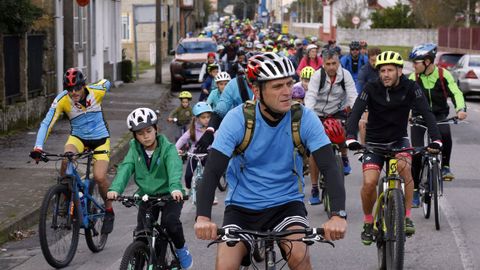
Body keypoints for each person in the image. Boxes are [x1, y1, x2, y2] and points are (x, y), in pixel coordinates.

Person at [194, 52, 347, 269]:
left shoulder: (304, 118)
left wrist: (338, 215)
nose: (287, 92)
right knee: (225, 265)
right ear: (256, 90)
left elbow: (330, 166)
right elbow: (211, 171)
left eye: (289, 83)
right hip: (242, 208)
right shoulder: (237, 119)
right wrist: (203, 217)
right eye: (277, 87)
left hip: (286, 205)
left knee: (300, 258)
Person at [344, 51, 442, 245]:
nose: (385, 74)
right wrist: (350, 137)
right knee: (370, 183)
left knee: (405, 169)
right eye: (382, 70)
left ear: (399, 71)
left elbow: (426, 112)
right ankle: (368, 221)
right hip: (374, 142)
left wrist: (436, 139)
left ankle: (406, 217)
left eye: (390, 70)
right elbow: (355, 113)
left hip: (399, 140)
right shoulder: (371, 88)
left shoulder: (411, 87)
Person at [30, 68, 115, 234]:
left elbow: (106, 83)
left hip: (100, 140)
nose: (74, 92)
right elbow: (46, 123)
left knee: (99, 176)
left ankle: (109, 210)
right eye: (69, 89)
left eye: (77, 88)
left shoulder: (96, 92)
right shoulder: (62, 100)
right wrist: (38, 147)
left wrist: (104, 83)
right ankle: (65, 196)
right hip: (78, 138)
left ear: (83, 85)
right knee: (65, 160)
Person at [107, 108, 193, 269]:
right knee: (142, 233)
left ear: (156, 129)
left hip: (170, 195)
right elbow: (126, 167)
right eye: (140, 133)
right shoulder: (134, 148)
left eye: (148, 131)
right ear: (134, 136)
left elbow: (174, 167)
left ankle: (181, 250)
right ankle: (140, 262)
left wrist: (175, 188)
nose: (145, 136)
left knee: (171, 223)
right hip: (147, 196)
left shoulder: (168, 148)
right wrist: (115, 188)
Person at [408, 43, 467, 206]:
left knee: (445, 134)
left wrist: (461, 109)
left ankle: (446, 166)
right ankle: (414, 191)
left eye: (416, 62)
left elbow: (456, 92)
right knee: (417, 152)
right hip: (419, 118)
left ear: (427, 61)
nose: (413, 66)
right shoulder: (413, 78)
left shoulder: (443, 74)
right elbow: (403, 99)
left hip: (439, 115)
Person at [305, 49, 357, 204]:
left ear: (338, 62)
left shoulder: (345, 75)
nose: (331, 67)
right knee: (314, 151)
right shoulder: (317, 76)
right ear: (323, 63)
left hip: (337, 111)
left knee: (341, 131)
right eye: (328, 64)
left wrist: (356, 113)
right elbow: (311, 97)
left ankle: (344, 157)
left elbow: (353, 95)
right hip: (318, 113)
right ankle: (314, 187)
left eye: (334, 63)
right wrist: (309, 117)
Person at [175, 102, 218, 206]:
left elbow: (218, 141)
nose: (207, 119)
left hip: (208, 154)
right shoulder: (193, 130)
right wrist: (176, 149)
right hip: (194, 154)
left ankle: (212, 195)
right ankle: (188, 188)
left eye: (208, 117)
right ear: (197, 118)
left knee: (209, 176)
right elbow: (182, 140)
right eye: (203, 117)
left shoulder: (212, 131)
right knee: (188, 175)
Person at [356, 47, 382, 144]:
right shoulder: (364, 70)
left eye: (377, 60)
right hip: (369, 101)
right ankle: (364, 147)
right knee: (363, 123)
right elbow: (359, 87)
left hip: (384, 100)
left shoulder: (384, 68)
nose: (374, 63)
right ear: (368, 59)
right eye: (372, 60)